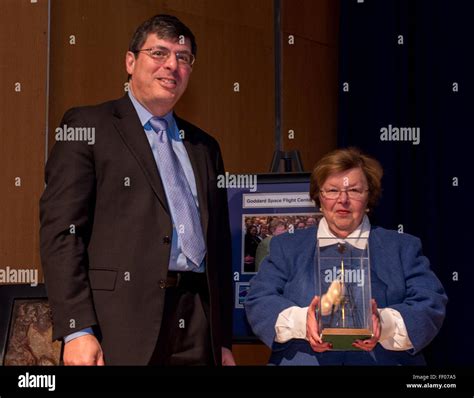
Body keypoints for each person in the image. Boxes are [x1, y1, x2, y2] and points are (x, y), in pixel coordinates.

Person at [40, 14, 235, 366]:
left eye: (183, 57)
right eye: (159, 53)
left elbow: (219, 248)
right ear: (130, 62)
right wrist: (77, 329)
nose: (172, 65)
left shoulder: (205, 147)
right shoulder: (88, 126)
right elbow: (62, 234)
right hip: (119, 325)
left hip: (197, 324)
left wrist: (222, 341)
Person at [244, 147, 447, 365]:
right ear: (319, 198)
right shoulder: (287, 246)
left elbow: (430, 303)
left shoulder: (402, 247)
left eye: (354, 191)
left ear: (369, 198)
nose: (343, 200)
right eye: (332, 190)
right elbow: (258, 299)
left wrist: (383, 323)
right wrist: (304, 322)